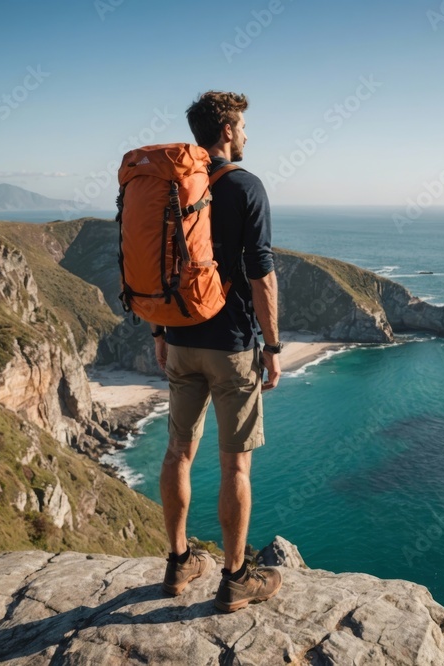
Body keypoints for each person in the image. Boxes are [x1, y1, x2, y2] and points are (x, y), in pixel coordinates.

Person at [151, 91, 283, 612]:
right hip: (230, 347)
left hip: (179, 339)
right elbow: (262, 273)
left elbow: (159, 263)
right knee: (235, 467)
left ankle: (178, 562)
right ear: (226, 130)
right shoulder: (245, 185)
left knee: (178, 453)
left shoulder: (172, 185)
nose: (248, 135)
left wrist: (159, 332)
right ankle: (235, 578)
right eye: (245, 126)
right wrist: (272, 345)